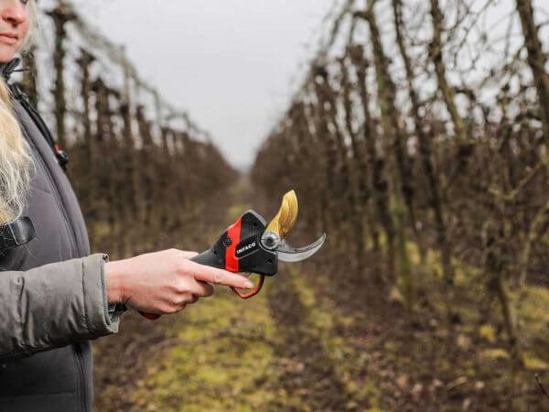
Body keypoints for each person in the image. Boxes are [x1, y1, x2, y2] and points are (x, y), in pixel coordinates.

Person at [0, 1, 254, 411]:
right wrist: (112, 283)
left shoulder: (16, 108)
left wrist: (122, 289)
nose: (17, 14)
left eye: (26, 0)